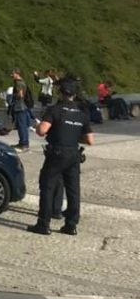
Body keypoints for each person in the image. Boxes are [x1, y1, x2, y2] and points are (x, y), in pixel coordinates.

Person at [27, 75, 94, 236]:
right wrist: (73, 135)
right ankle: (71, 225)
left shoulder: (55, 110)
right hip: (74, 153)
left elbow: (42, 130)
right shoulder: (81, 112)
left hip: (57, 152)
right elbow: (90, 140)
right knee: (73, 190)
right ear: (74, 94)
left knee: (48, 186)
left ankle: (43, 224)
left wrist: (37, 126)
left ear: (60, 92)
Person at [9, 69, 33, 152]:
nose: (11, 75)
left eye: (12, 74)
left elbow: (20, 95)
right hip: (24, 107)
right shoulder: (23, 82)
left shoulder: (18, 83)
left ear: (16, 74)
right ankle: (23, 142)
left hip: (19, 107)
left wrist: (12, 97)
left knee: (21, 126)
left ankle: (24, 144)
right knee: (24, 126)